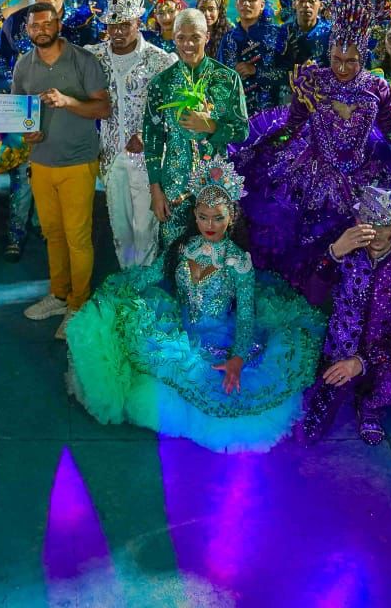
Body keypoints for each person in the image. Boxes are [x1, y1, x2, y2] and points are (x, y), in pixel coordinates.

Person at [68, 157, 321, 452]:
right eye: (203, 216)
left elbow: (245, 315)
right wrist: (116, 294)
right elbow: (150, 275)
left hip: (218, 336)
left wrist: (238, 357)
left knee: (219, 385)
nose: (209, 225)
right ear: (195, 215)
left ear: (232, 217)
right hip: (179, 326)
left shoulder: (238, 262)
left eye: (218, 218)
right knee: (127, 327)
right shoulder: (182, 247)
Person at [236, 0, 391, 303]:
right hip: (313, 178)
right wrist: (258, 148)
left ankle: (358, 302)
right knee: (308, 248)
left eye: (351, 61)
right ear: (329, 52)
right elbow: (292, 128)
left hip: (366, 177)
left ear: (363, 57)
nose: (343, 68)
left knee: (371, 244)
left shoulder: (377, 86)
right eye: (336, 59)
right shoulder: (313, 82)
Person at [300, 185, 391, 445]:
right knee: (308, 433)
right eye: (370, 224)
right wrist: (333, 254)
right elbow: (312, 296)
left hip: (384, 358)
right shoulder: (346, 255)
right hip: (338, 352)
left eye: (385, 225)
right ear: (358, 223)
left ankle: (370, 406)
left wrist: (362, 361)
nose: (377, 232)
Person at [12, 1, 111, 340]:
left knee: (77, 237)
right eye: (34, 25)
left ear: (58, 25)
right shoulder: (23, 65)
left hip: (78, 162)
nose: (41, 30)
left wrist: (68, 101)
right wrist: (26, 133)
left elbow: (104, 107)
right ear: (27, 30)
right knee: (52, 233)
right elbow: (19, 113)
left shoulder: (83, 60)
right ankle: (58, 294)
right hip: (41, 162)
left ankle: (78, 304)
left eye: (47, 23)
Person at [144, 7, 249, 249]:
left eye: (195, 37)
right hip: (174, 186)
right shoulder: (162, 83)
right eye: (181, 37)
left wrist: (211, 125)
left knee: (215, 253)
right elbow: (152, 139)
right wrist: (155, 190)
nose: (188, 44)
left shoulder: (226, 78)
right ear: (173, 37)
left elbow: (242, 130)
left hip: (215, 184)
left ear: (207, 37)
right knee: (174, 251)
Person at [86, 0, 177, 268]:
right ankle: (128, 276)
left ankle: (144, 284)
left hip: (146, 158)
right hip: (111, 154)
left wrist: (147, 135)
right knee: (120, 228)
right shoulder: (94, 56)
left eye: (125, 25)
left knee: (145, 227)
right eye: (113, 25)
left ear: (139, 22)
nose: (118, 31)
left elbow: (173, 109)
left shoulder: (159, 60)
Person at [218, 0, 288, 111]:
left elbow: (287, 75)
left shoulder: (277, 34)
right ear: (236, 4)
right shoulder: (228, 39)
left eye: (252, 0)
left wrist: (255, 71)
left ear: (262, 5)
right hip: (237, 113)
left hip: (270, 114)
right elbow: (219, 78)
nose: (246, 3)